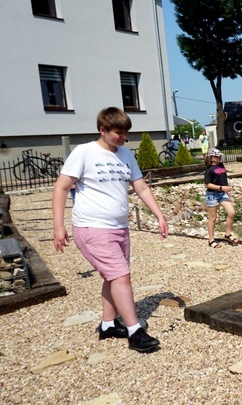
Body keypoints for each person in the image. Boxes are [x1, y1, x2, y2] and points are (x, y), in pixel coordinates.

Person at [52, 107, 168, 353]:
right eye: (118, 133)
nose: (123, 138)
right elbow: (61, 188)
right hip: (92, 227)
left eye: (126, 133)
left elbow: (141, 186)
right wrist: (59, 226)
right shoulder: (84, 152)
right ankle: (135, 331)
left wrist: (159, 215)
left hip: (119, 228)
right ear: (102, 130)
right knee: (120, 277)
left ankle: (107, 324)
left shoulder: (125, 154)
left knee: (113, 276)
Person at [204, 147, 239, 248]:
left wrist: (227, 192)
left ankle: (228, 234)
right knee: (213, 217)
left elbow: (224, 180)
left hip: (222, 193)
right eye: (217, 156)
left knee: (231, 212)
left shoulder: (221, 165)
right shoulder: (209, 170)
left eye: (220, 156)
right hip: (212, 195)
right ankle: (211, 240)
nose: (219, 157)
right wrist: (221, 188)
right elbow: (207, 185)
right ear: (212, 158)